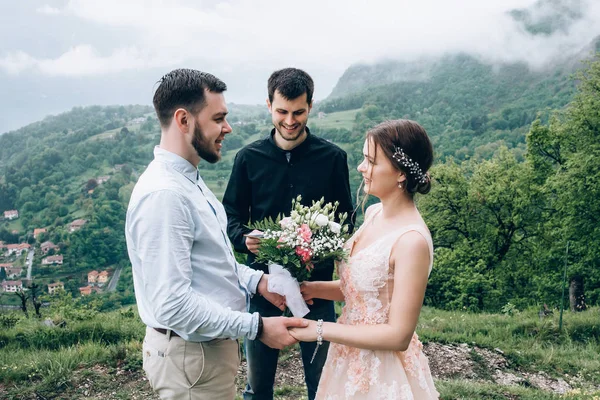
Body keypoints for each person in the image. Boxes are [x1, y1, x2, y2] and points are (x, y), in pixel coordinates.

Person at [125, 68, 307, 400]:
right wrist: (258, 327)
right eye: (218, 118)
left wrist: (258, 282)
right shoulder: (166, 196)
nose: (228, 128)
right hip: (191, 361)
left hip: (205, 356)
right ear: (183, 120)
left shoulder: (189, 181)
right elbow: (173, 305)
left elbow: (210, 263)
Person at [223, 67, 354, 400]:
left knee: (323, 388)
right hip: (264, 290)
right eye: (282, 111)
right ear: (269, 105)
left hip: (317, 293)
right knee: (257, 389)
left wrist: (320, 255)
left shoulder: (333, 158)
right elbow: (230, 219)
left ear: (310, 106)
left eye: (298, 112)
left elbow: (346, 223)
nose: (290, 120)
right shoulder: (248, 159)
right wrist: (245, 239)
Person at [290, 119, 440, 399]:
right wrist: (310, 289)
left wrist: (320, 329)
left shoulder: (411, 241)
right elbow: (365, 289)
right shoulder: (373, 213)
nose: (361, 167)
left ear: (400, 174)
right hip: (348, 359)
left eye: (371, 161)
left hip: (383, 372)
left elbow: (398, 336)